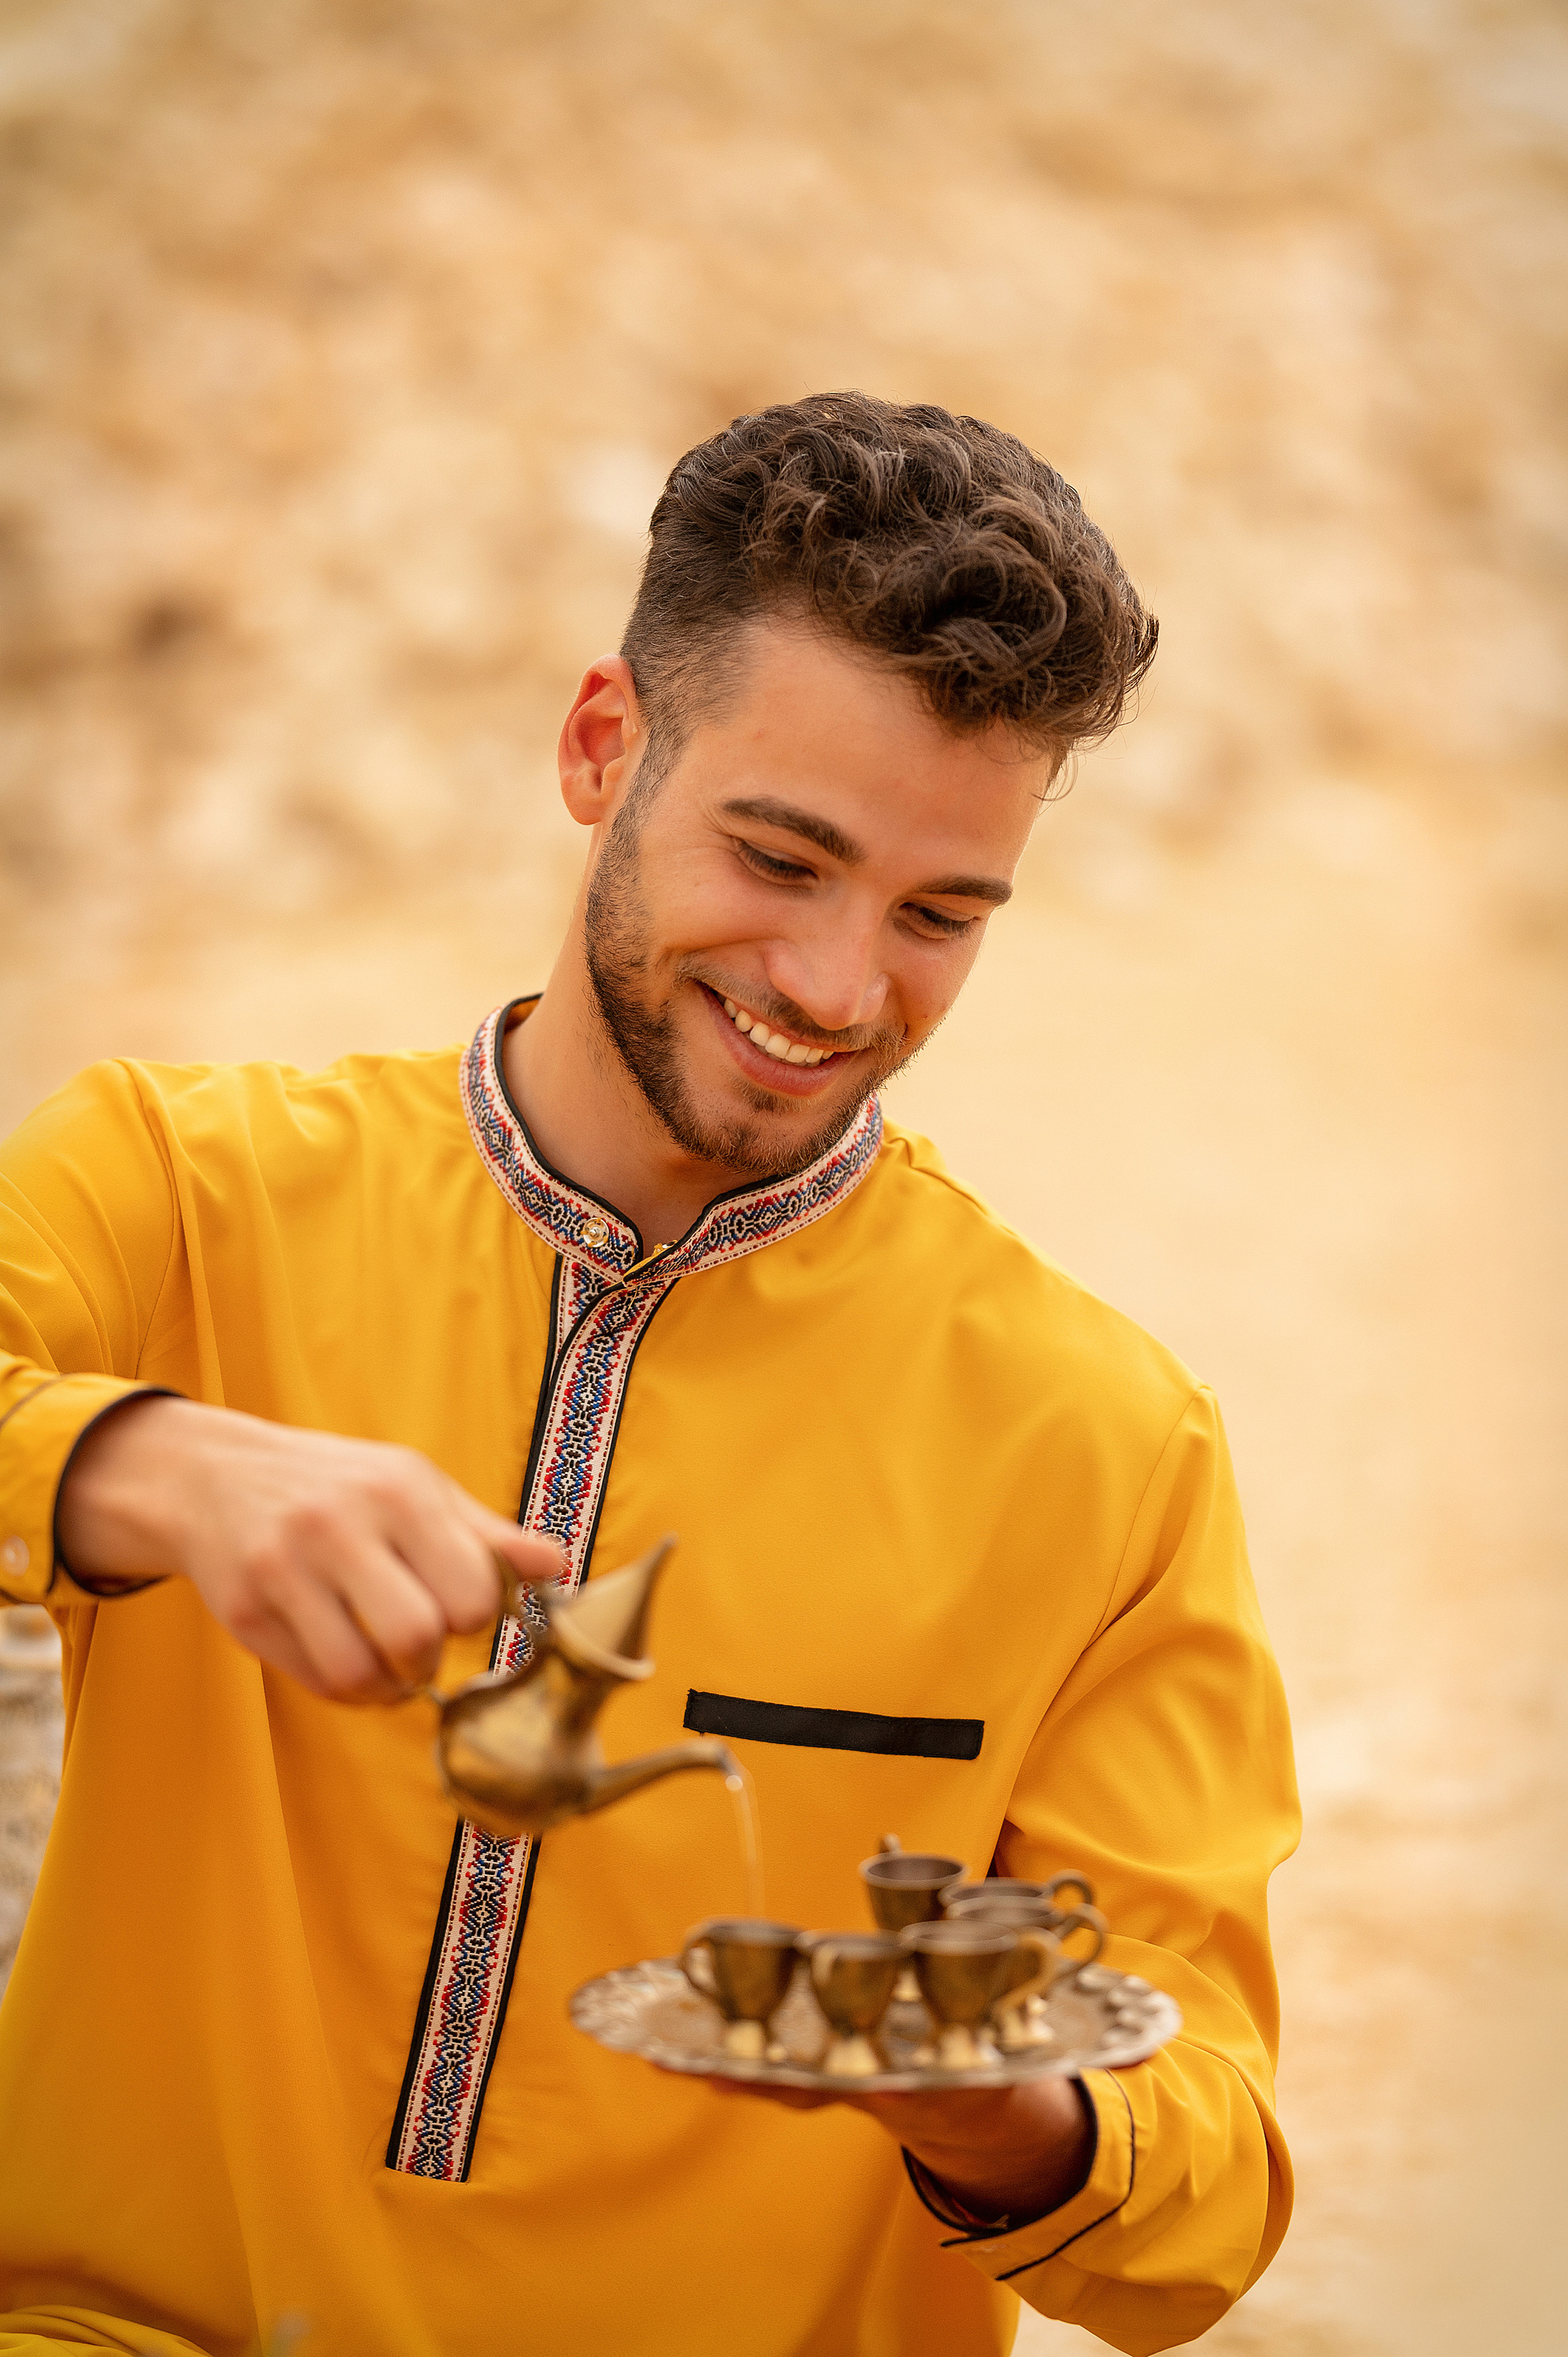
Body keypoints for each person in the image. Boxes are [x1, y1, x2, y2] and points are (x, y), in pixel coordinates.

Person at [0, 394, 1297, 2356]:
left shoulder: (1106, 1448)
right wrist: (150, 1466)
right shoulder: (183, 1196)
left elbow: (1200, 2213)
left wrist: (996, 2108)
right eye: (781, 858)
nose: (838, 988)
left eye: (941, 916)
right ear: (603, 745)